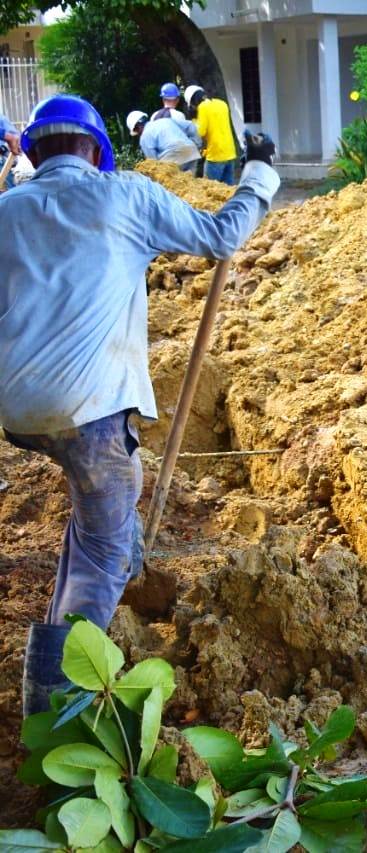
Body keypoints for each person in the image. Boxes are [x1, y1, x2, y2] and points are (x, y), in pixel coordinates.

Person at [0, 94, 279, 716]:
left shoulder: (6, 209)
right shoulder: (122, 195)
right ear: (96, 152)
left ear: (33, 151)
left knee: (97, 511)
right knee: (104, 551)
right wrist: (259, 173)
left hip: (19, 412)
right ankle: (58, 708)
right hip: (90, 409)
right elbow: (220, 236)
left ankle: (69, 629)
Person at [185, 85, 237, 185]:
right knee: (228, 191)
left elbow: (200, 132)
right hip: (230, 153)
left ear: (193, 101)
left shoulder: (203, 107)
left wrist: (194, 119)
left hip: (215, 155)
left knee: (210, 190)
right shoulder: (222, 103)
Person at [128, 109, 202, 172]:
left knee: (170, 183)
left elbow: (153, 163)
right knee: (191, 184)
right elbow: (190, 125)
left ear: (137, 128)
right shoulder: (165, 120)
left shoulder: (144, 137)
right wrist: (197, 145)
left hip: (173, 156)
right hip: (191, 151)